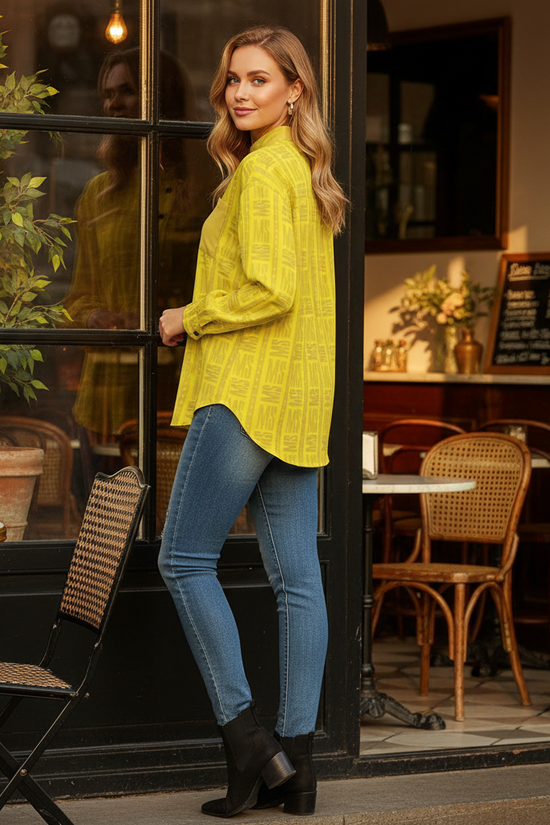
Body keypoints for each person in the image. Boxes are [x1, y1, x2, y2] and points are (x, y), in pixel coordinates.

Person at [158, 24, 347, 818]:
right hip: (299, 403)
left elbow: (269, 290)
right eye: (234, 79)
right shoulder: (300, 170)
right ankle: (294, 769)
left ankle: (248, 741)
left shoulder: (267, 173)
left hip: (244, 395)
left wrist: (187, 314)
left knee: (182, 560)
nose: (240, 92)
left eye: (260, 80)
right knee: (298, 583)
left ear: (294, 89)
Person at [64, 48, 203, 450]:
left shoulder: (205, 190)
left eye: (127, 90)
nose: (113, 103)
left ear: (164, 99)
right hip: (105, 401)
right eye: (107, 94)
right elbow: (75, 300)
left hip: (179, 391)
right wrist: (96, 318)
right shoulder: (96, 196)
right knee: (107, 514)